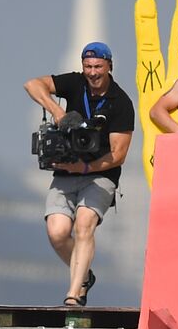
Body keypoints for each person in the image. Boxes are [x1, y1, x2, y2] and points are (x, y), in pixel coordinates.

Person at [24, 42, 136, 306]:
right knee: (57, 232)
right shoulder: (75, 84)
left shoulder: (120, 102)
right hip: (65, 170)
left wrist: (85, 167)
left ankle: (74, 293)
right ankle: (84, 273)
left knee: (84, 224)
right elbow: (32, 84)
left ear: (110, 66)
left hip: (100, 172)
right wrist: (60, 114)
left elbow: (118, 155)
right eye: (88, 67)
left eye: (98, 66)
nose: (93, 72)